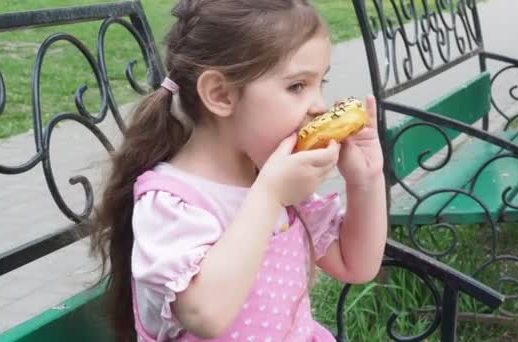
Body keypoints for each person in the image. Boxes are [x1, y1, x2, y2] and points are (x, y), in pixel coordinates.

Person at [91, 0, 387, 341]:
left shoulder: (276, 180)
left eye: (321, 82)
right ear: (220, 94)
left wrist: (365, 181)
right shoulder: (173, 202)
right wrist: (269, 196)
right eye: (297, 86)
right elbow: (205, 314)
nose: (319, 106)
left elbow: (357, 265)